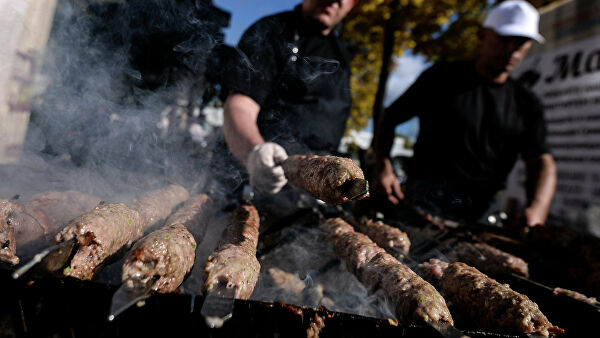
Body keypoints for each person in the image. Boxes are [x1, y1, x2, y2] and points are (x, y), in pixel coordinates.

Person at [372, 0, 557, 227]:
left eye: (521, 42)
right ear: (482, 35)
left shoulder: (527, 103)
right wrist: (383, 167)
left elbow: (541, 160)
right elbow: (390, 117)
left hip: (481, 217)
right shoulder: (441, 77)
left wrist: (537, 208)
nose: (512, 49)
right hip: (420, 206)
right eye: (504, 39)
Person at [220, 0, 359, 196]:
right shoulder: (271, 31)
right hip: (251, 183)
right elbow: (239, 106)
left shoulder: (341, 57)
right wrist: (256, 154)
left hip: (307, 197)